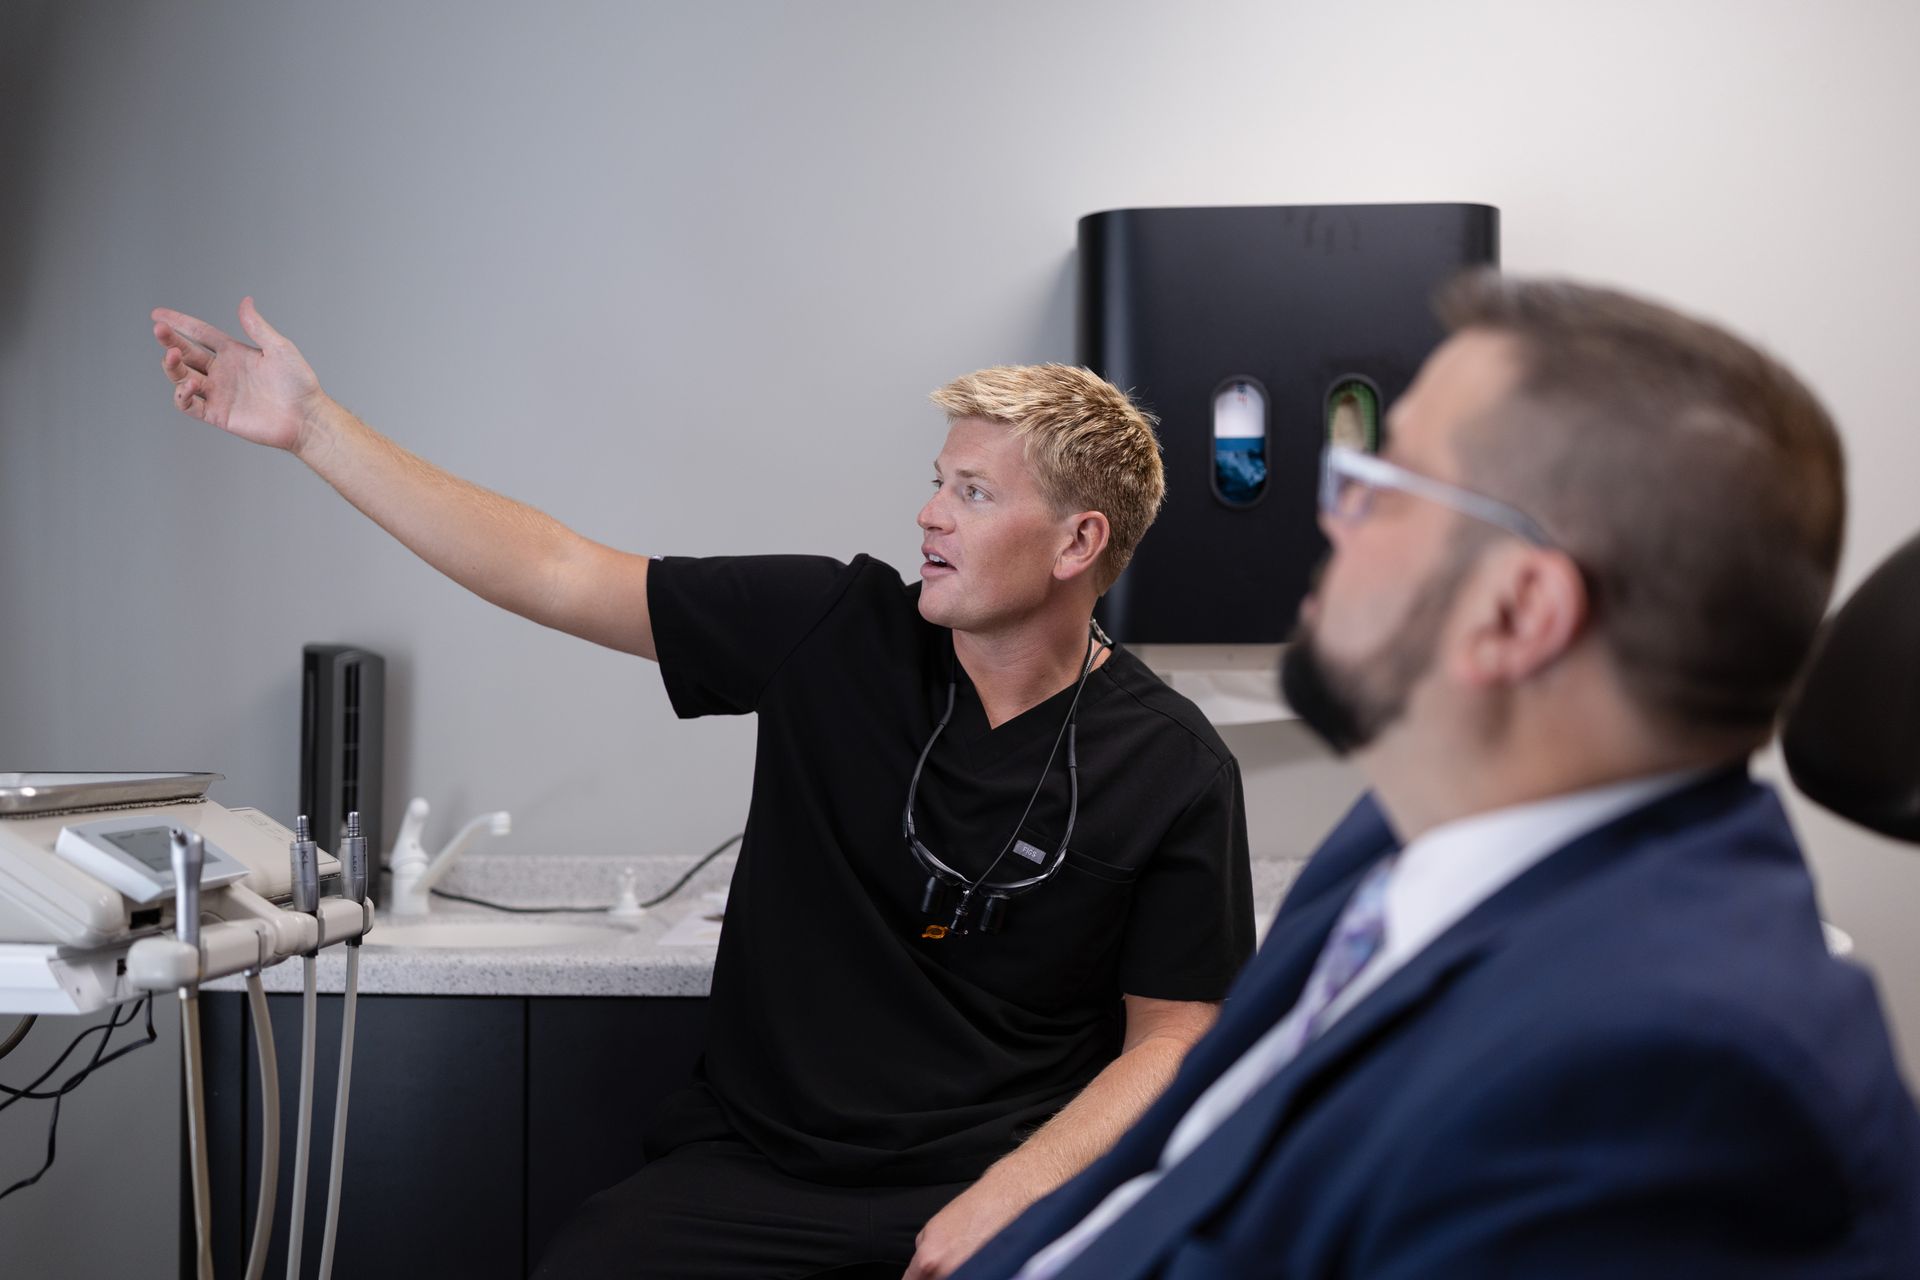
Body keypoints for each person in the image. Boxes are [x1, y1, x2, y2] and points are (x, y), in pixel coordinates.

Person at [150, 302, 1255, 1279]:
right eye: (936, 481)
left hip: (1000, 1178)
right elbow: (559, 569)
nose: (930, 514)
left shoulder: (1172, 765)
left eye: (972, 492)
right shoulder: (836, 629)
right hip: (759, 1172)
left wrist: (1017, 1191)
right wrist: (314, 428)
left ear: (1078, 541)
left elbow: (1174, 1039)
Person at [952, 272, 1920, 1279]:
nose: (1332, 517)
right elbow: (1186, 1174)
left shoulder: (1671, 1085)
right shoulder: (1411, 826)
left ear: (1516, 610)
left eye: (1386, 485)